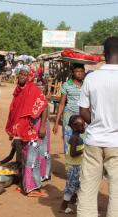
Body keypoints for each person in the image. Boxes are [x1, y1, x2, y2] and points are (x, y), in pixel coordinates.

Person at [77, 37, 118, 217]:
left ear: (104, 55)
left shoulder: (91, 78)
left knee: (87, 190)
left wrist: (96, 121)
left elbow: (83, 111)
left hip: (94, 140)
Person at [5, 65, 49, 197]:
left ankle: (32, 187)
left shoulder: (34, 90)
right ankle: (27, 185)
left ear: (29, 76)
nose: (23, 76)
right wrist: (13, 129)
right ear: (17, 75)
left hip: (34, 129)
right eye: (21, 74)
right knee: (26, 157)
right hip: (24, 130)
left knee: (32, 157)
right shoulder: (18, 91)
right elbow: (15, 111)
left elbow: (44, 106)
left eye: (25, 74)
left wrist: (41, 127)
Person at [53, 63, 86, 153]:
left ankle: (80, 166)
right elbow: (62, 104)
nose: (80, 73)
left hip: (83, 116)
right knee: (69, 140)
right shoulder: (66, 85)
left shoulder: (87, 84)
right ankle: (69, 165)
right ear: (72, 72)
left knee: (82, 140)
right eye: (77, 71)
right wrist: (56, 123)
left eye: (82, 71)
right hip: (69, 116)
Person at [60, 115, 85, 214]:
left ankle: (73, 200)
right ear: (74, 127)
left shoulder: (76, 137)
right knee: (71, 186)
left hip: (76, 166)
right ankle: (63, 206)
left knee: (76, 185)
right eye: (82, 125)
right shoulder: (75, 138)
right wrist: (84, 150)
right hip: (73, 167)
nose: (84, 127)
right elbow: (73, 153)